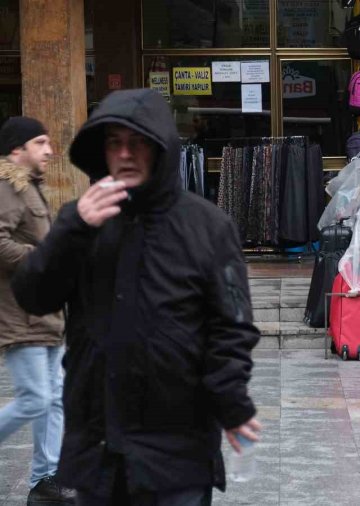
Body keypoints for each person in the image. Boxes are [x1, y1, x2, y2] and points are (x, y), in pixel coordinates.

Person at [12, 89, 261, 505]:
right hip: (98, 446)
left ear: (161, 147)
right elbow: (33, 296)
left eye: (138, 142)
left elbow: (232, 325)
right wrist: (72, 229)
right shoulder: (85, 220)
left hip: (176, 450)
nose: (125, 153)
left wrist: (231, 401)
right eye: (114, 142)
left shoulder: (208, 226)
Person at [0, 117, 76, 504]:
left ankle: (45, 479)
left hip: (45, 314)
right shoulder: (7, 187)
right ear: (17, 149)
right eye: (41, 143)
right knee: (35, 398)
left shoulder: (27, 187)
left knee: (55, 397)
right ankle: (44, 477)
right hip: (20, 313)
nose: (49, 151)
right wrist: (41, 256)